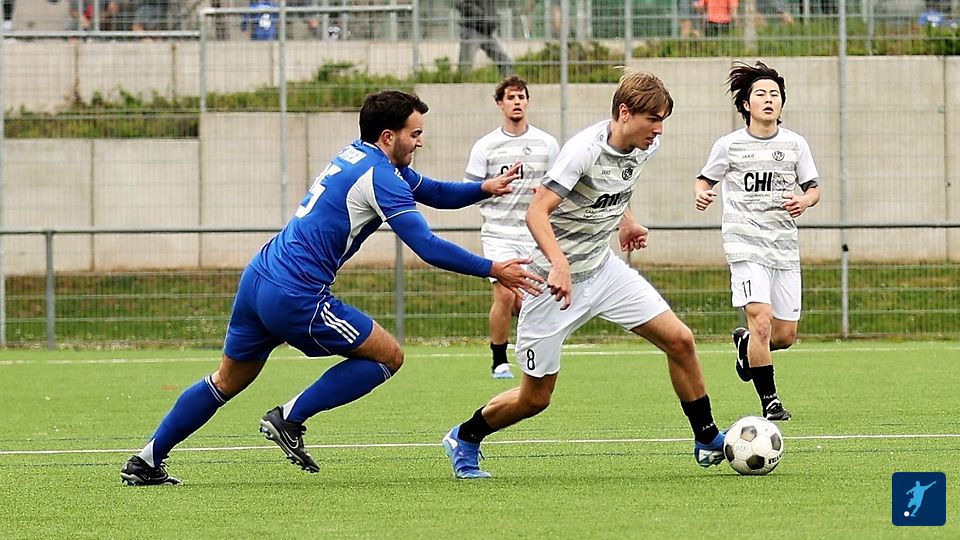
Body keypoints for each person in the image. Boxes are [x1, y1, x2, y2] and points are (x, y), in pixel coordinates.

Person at [119, 90, 544, 486]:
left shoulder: (357, 155)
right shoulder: (382, 176)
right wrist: (493, 268)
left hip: (259, 277)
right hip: (296, 293)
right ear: (388, 136)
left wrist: (483, 188)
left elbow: (431, 190)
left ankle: (146, 460)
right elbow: (427, 246)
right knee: (388, 356)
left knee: (226, 380)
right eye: (415, 134)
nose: (420, 142)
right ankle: (289, 416)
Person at [442, 70, 727, 479]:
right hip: (551, 284)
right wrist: (559, 264)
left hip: (603, 270)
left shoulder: (646, 145)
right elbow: (536, 212)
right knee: (535, 398)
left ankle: (707, 437)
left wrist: (627, 221)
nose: (659, 130)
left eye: (663, 120)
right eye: (653, 119)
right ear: (625, 113)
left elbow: (615, 186)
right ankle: (465, 436)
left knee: (680, 340)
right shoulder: (582, 151)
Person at [694, 61, 821, 422]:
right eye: (761, 94)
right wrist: (701, 194)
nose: (768, 100)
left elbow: (813, 188)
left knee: (783, 336)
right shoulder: (729, 145)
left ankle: (744, 346)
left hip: (783, 246)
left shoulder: (795, 144)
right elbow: (704, 180)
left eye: (774, 94)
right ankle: (771, 401)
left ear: (782, 103)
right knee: (761, 321)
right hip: (745, 244)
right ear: (746, 104)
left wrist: (804, 201)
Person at [463, 75, 559, 380]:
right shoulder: (486, 145)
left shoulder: (547, 143)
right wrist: (491, 187)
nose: (516, 102)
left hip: (534, 234)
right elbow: (469, 188)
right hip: (498, 233)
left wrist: (544, 195)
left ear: (527, 101)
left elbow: (559, 186)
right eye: (510, 97)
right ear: (500, 104)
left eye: (521, 97)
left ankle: (534, 354)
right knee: (504, 296)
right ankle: (499, 361)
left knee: (531, 299)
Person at [456, 0, 513, 76]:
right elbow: (459, 3)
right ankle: (462, 82)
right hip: (471, 29)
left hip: (487, 31)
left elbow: (491, 8)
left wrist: (495, 19)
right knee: (465, 66)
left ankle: (510, 81)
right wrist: (480, 14)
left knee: (505, 61)